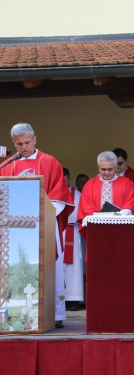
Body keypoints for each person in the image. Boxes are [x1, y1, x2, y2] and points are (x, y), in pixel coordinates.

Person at [0, 123, 74, 328]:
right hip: (16, 229)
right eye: (19, 144)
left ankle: (56, 315)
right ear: (14, 143)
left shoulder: (49, 162)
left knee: (52, 268)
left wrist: (42, 214)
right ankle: (17, 316)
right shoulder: (8, 165)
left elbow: (59, 196)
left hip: (45, 226)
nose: (24, 147)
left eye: (27, 142)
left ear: (35, 139)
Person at [77, 151, 134, 239]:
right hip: (97, 229)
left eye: (110, 169)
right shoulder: (89, 184)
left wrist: (117, 217)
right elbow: (86, 207)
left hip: (121, 228)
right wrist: (101, 219)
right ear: (99, 168)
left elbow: (131, 204)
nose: (106, 173)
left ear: (115, 168)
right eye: (103, 169)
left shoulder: (127, 183)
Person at [62, 168, 84, 311]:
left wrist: (62, 216)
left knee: (74, 266)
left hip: (72, 231)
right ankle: (61, 298)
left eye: (65, 180)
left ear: (69, 179)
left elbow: (79, 212)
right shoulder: (52, 194)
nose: (63, 183)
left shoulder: (77, 195)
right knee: (59, 266)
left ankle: (74, 299)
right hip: (58, 232)